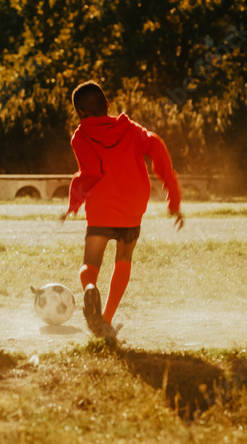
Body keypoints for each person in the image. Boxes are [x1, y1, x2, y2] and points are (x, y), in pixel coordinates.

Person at [61, 81, 184, 339]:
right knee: (124, 259)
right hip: (132, 206)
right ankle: (105, 320)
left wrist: (74, 202)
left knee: (90, 264)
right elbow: (157, 148)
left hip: (102, 207)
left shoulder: (81, 136)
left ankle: (90, 287)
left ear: (80, 113)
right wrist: (173, 198)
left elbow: (90, 172)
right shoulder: (132, 130)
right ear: (107, 105)